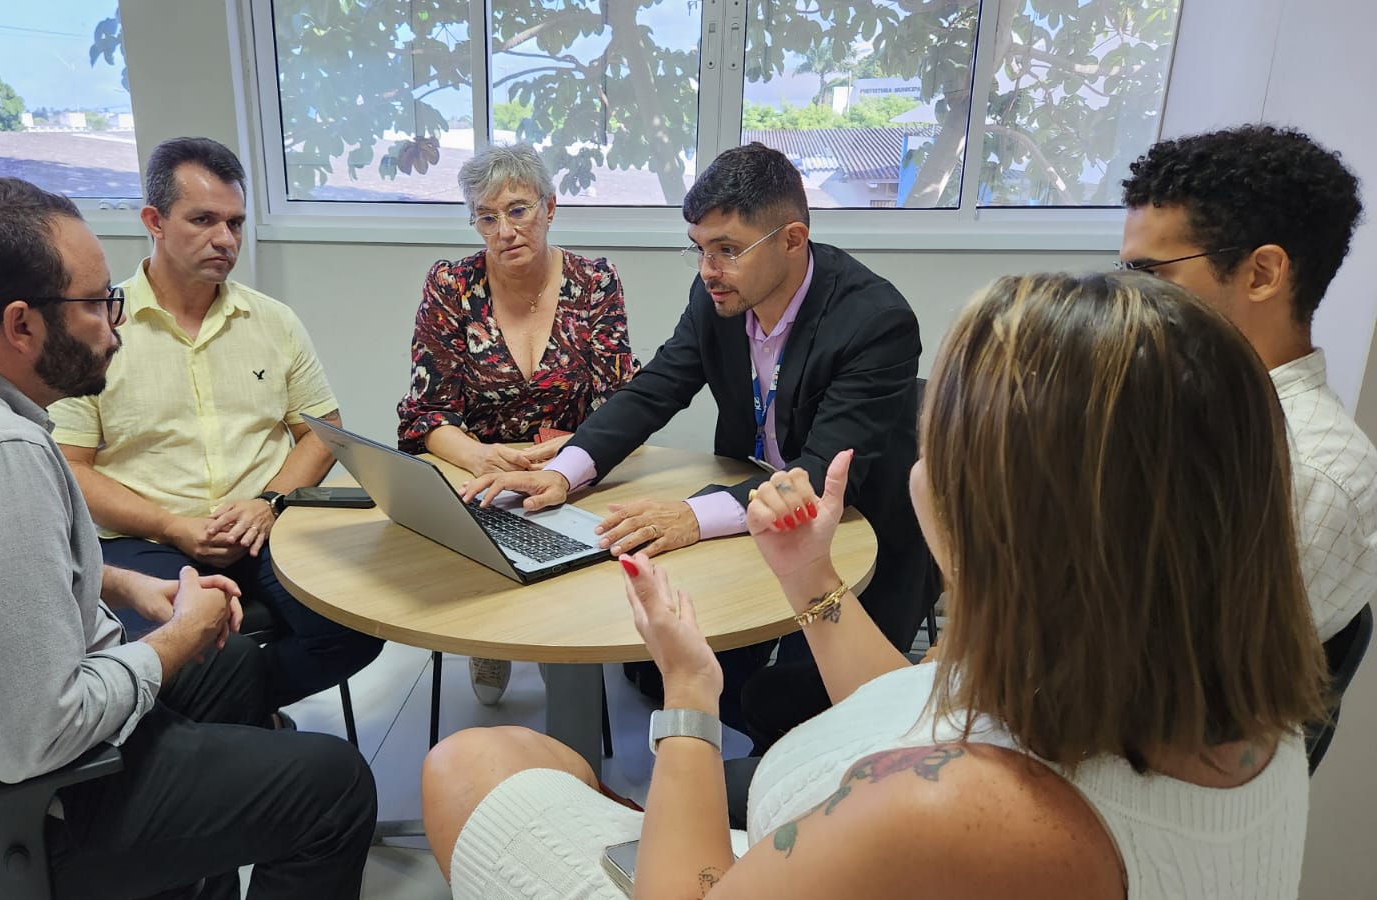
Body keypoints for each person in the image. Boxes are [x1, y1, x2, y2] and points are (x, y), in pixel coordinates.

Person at [421, 271, 1326, 900]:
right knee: (548, 762)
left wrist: (692, 701)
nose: (920, 452)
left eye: (940, 433)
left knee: (474, 759)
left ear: (1005, 521)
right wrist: (813, 584)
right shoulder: (1231, 707)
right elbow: (927, 707)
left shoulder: (951, 809)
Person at [0, 177, 376, 899]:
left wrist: (120, 584)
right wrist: (181, 636)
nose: (114, 326)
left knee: (233, 672)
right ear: (21, 324)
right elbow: (32, 742)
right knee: (332, 787)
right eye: (96, 304)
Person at [461, 142, 928, 729]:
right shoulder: (720, 297)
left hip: (858, 534)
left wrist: (692, 516)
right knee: (660, 671)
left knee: (792, 708)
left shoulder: (875, 320)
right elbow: (655, 388)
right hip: (748, 517)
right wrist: (563, 471)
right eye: (700, 250)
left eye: (727, 250)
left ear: (791, 239)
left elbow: (816, 477)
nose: (709, 271)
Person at [50, 137, 383, 713]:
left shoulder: (272, 321)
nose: (225, 240)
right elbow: (72, 468)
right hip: (146, 537)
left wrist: (268, 501)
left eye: (235, 222)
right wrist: (173, 525)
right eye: (203, 220)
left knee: (361, 624)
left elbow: (321, 430)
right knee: (190, 646)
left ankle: (232, 713)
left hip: (263, 523)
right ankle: (234, 717)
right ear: (154, 220)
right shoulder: (96, 326)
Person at [398, 142, 640, 704]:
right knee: (483, 548)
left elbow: (623, 398)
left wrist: (573, 454)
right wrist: (480, 457)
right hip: (481, 474)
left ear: (550, 207)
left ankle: (565, 643)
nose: (504, 230)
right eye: (487, 216)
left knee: (567, 622)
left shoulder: (596, 282)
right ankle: (493, 637)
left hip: (575, 467)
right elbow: (423, 411)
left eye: (518, 209)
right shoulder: (450, 285)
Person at [1120, 123, 1377, 640]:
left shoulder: (1308, 474)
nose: (1127, 298)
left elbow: (1169, 684)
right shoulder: (1184, 407)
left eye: (1150, 275)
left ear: (1262, 274)